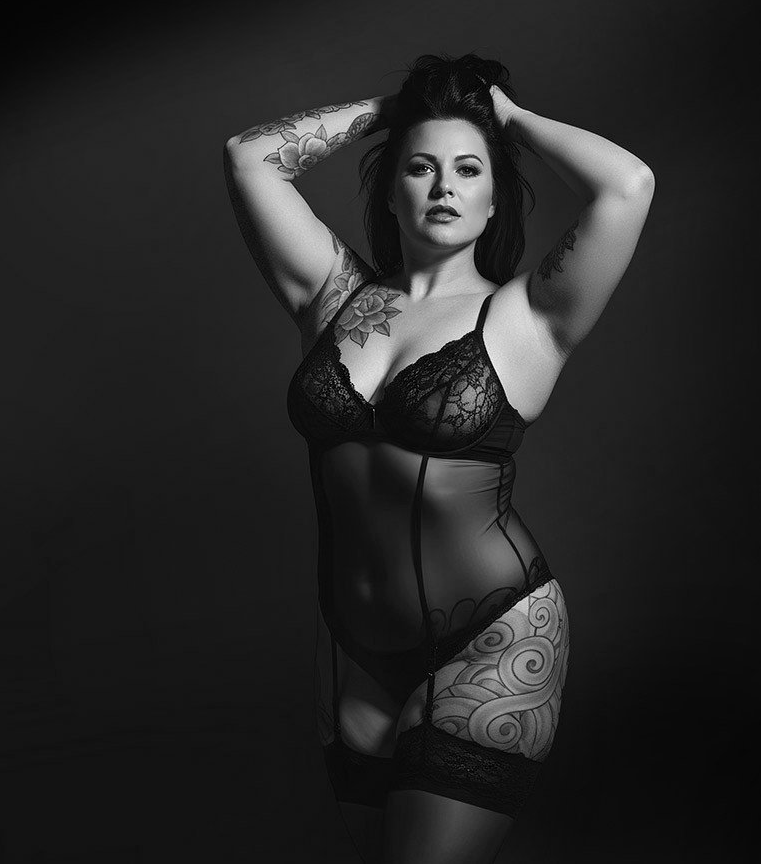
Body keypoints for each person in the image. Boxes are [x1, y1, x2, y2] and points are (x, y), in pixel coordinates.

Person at [223, 52, 654, 864]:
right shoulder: (332, 297)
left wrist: (509, 119)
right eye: (421, 168)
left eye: (469, 169)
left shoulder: (529, 315)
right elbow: (249, 157)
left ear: (494, 199)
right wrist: (396, 111)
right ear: (391, 189)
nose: (445, 186)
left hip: (493, 638)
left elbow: (628, 185)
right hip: (351, 648)